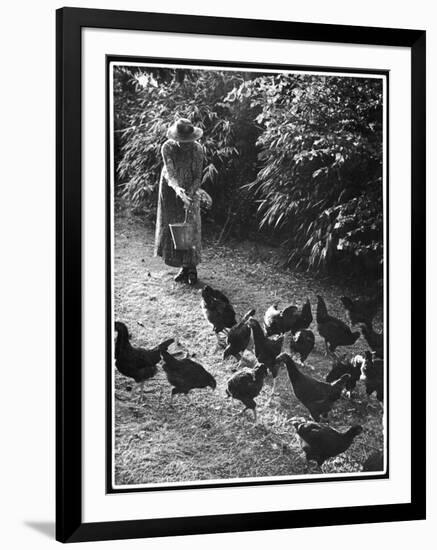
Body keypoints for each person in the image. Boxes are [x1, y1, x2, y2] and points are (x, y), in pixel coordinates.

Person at [154, 118, 205, 285]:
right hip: (170, 188)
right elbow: (170, 172)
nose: (185, 144)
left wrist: (189, 195)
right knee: (174, 225)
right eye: (181, 141)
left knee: (191, 224)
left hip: (191, 187)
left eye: (188, 141)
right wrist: (178, 190)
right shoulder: (167, 147)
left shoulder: (197, 149)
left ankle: (191, 268)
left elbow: (198, 176)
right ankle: (182, 267)